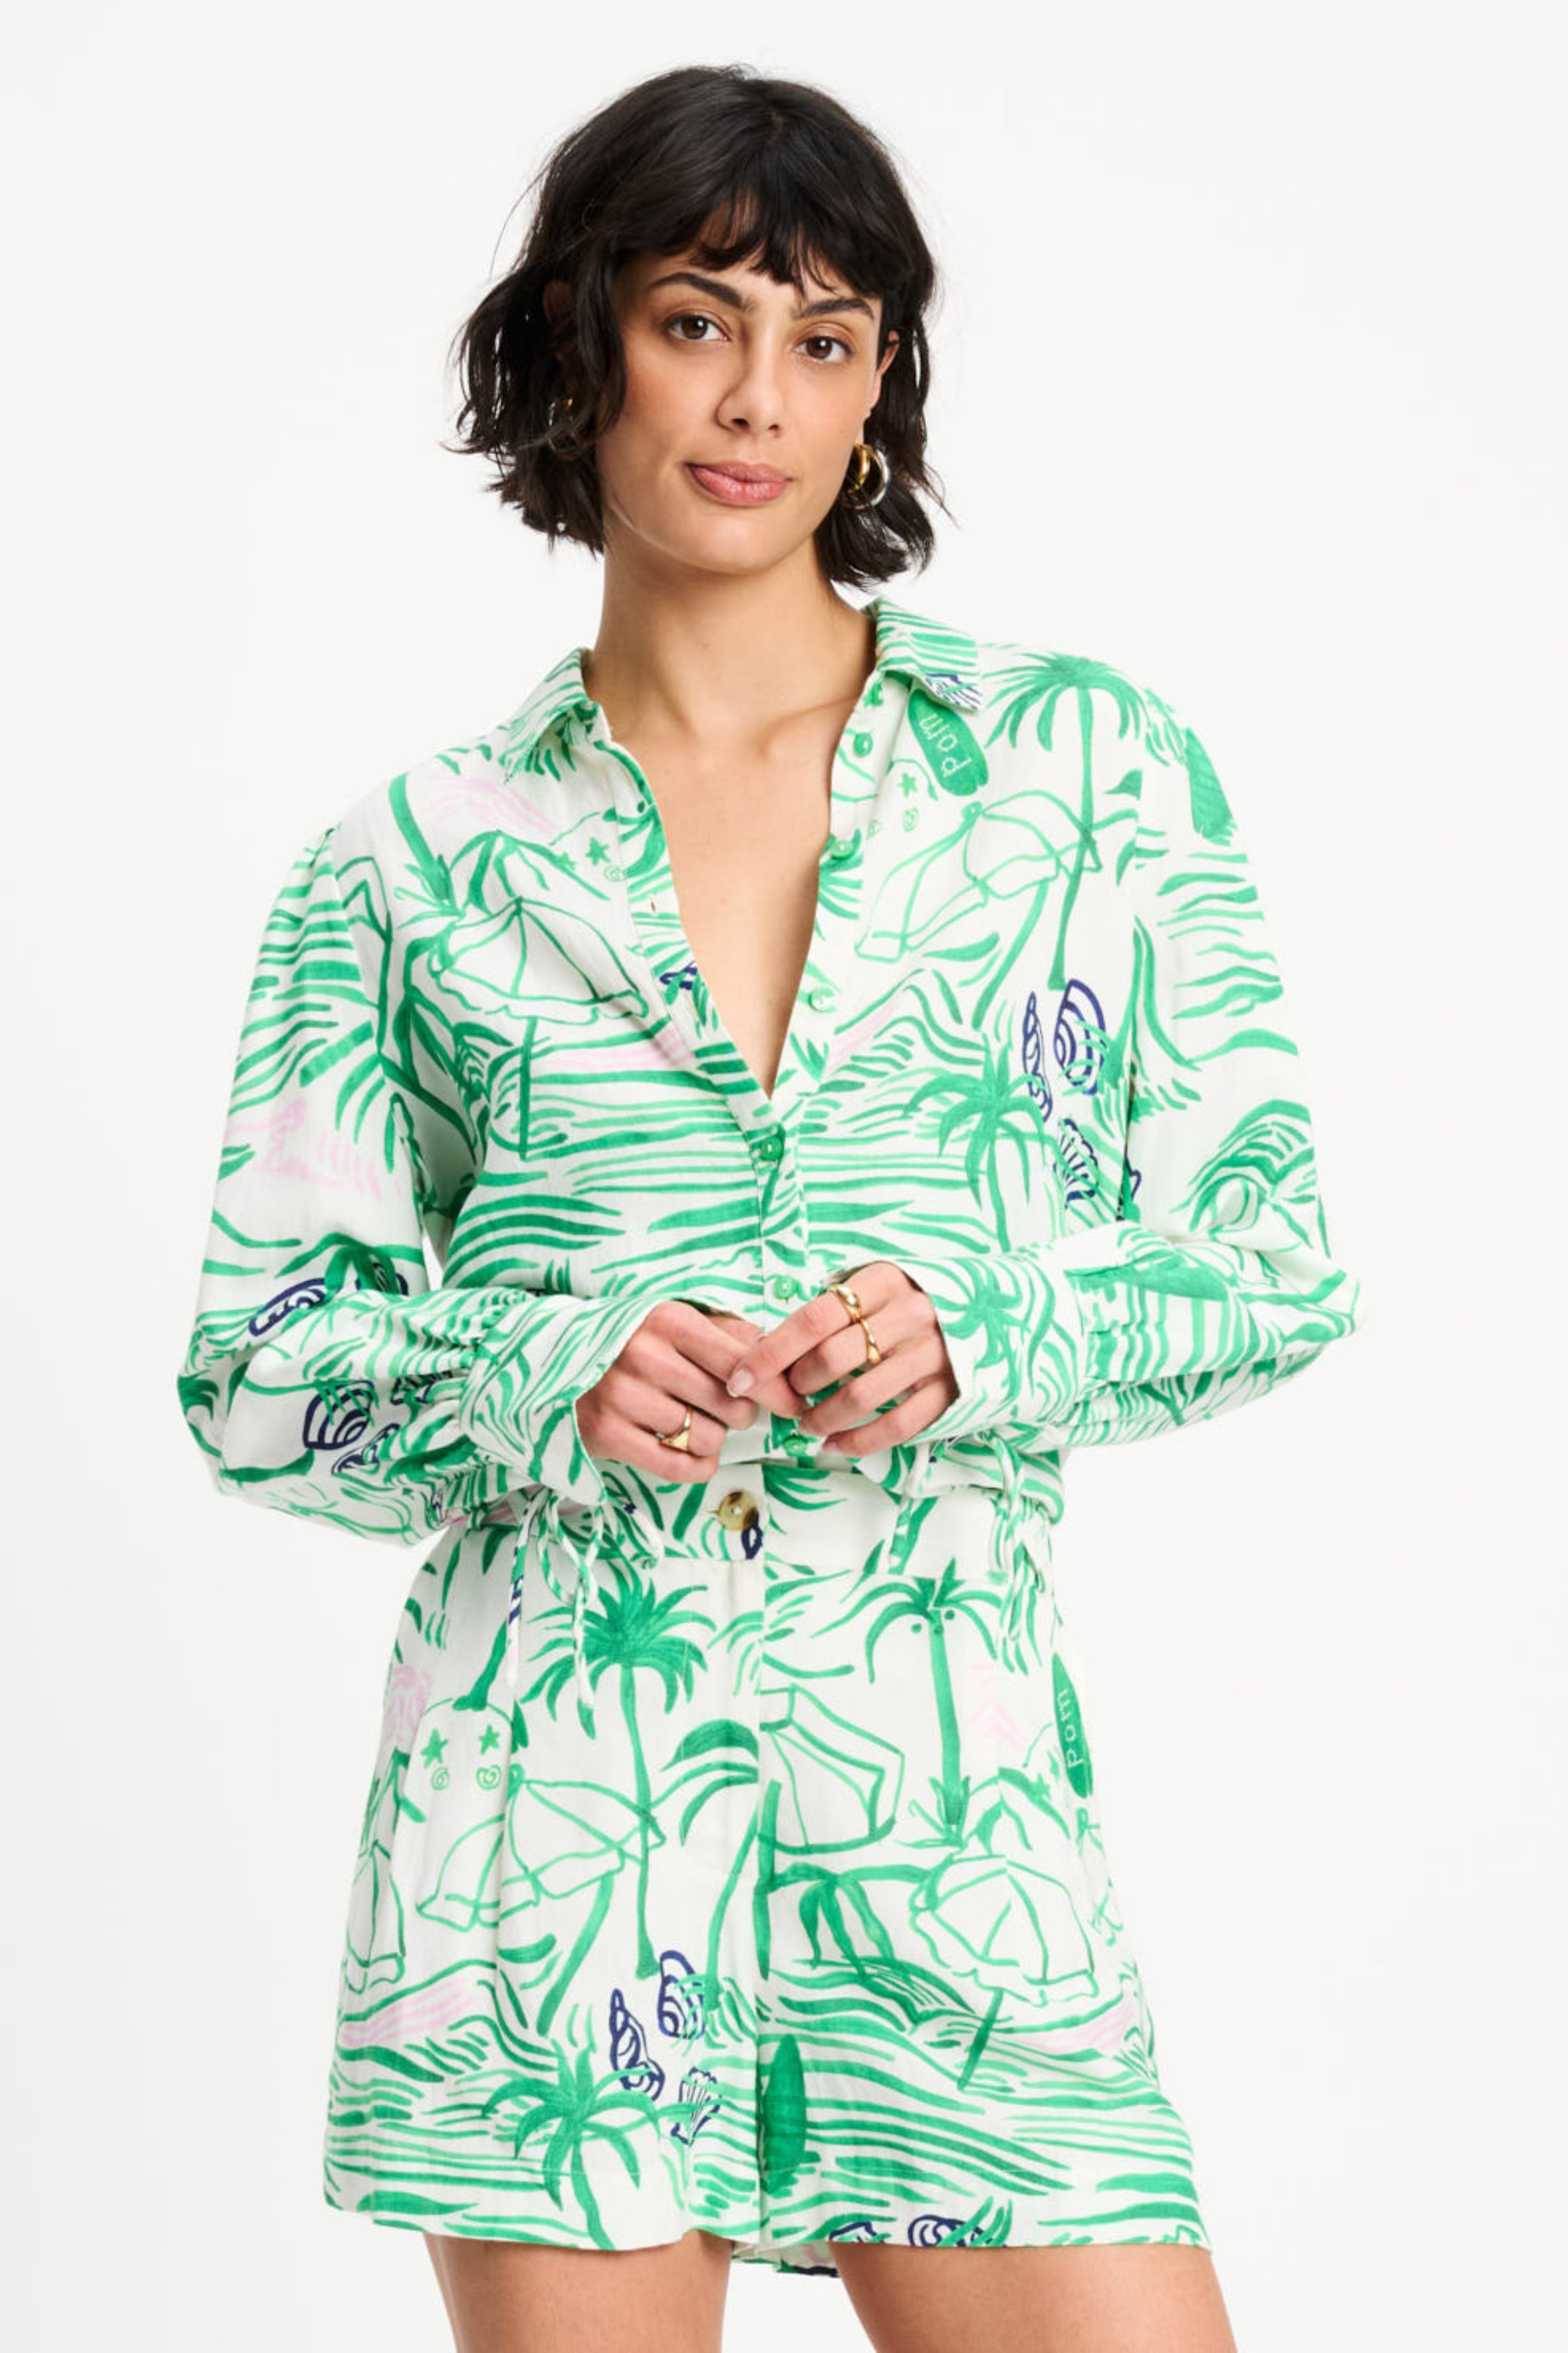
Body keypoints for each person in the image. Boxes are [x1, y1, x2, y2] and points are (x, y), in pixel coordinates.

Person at [175, 61, 1362, 2353]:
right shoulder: (404, 867)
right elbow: (255, 1373)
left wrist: (988, 1329)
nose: (759, 402)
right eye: (698, 322)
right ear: (578, 343)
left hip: (953, 1845)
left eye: (826, 339)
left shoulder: (1081, 777)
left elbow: (1267, 1256)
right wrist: (544, 1370)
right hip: (545, 1857)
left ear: (880, 381)